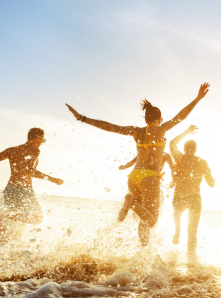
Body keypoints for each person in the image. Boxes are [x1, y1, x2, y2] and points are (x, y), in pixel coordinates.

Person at [65, 82, 210, 247]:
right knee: (152, 220)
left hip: (133, 177)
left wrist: (82, 118)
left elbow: (111, 127)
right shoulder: (161, 130)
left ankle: (143, 252)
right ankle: (131, 202)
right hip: (150, 178)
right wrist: (197, 98)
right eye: (161, 119)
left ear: (146, 119)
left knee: (144, 218)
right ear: (158, 119)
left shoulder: (136, 131)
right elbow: (181, 116)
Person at [169, 124, 215, 259]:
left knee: (177, 214)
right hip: (195, 198)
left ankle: (177, 230)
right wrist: (209, 175)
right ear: (195, 149)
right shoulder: (202, 162)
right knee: (192, 231)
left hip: (179, 196)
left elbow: (171, 143)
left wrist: (187, 132)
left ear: (184, 149)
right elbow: (211, 183)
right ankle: (191, 260)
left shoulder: (180, 157)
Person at [117, 152, 174, 222]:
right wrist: (174, 180)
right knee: (152, 209)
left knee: (137, 201)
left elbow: (132, 162)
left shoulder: (143, 152)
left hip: (135, 177)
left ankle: (121, 217)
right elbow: (172, 168)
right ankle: (143, 225)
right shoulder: (165, 155)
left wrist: (124, 166)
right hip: (151, 181)